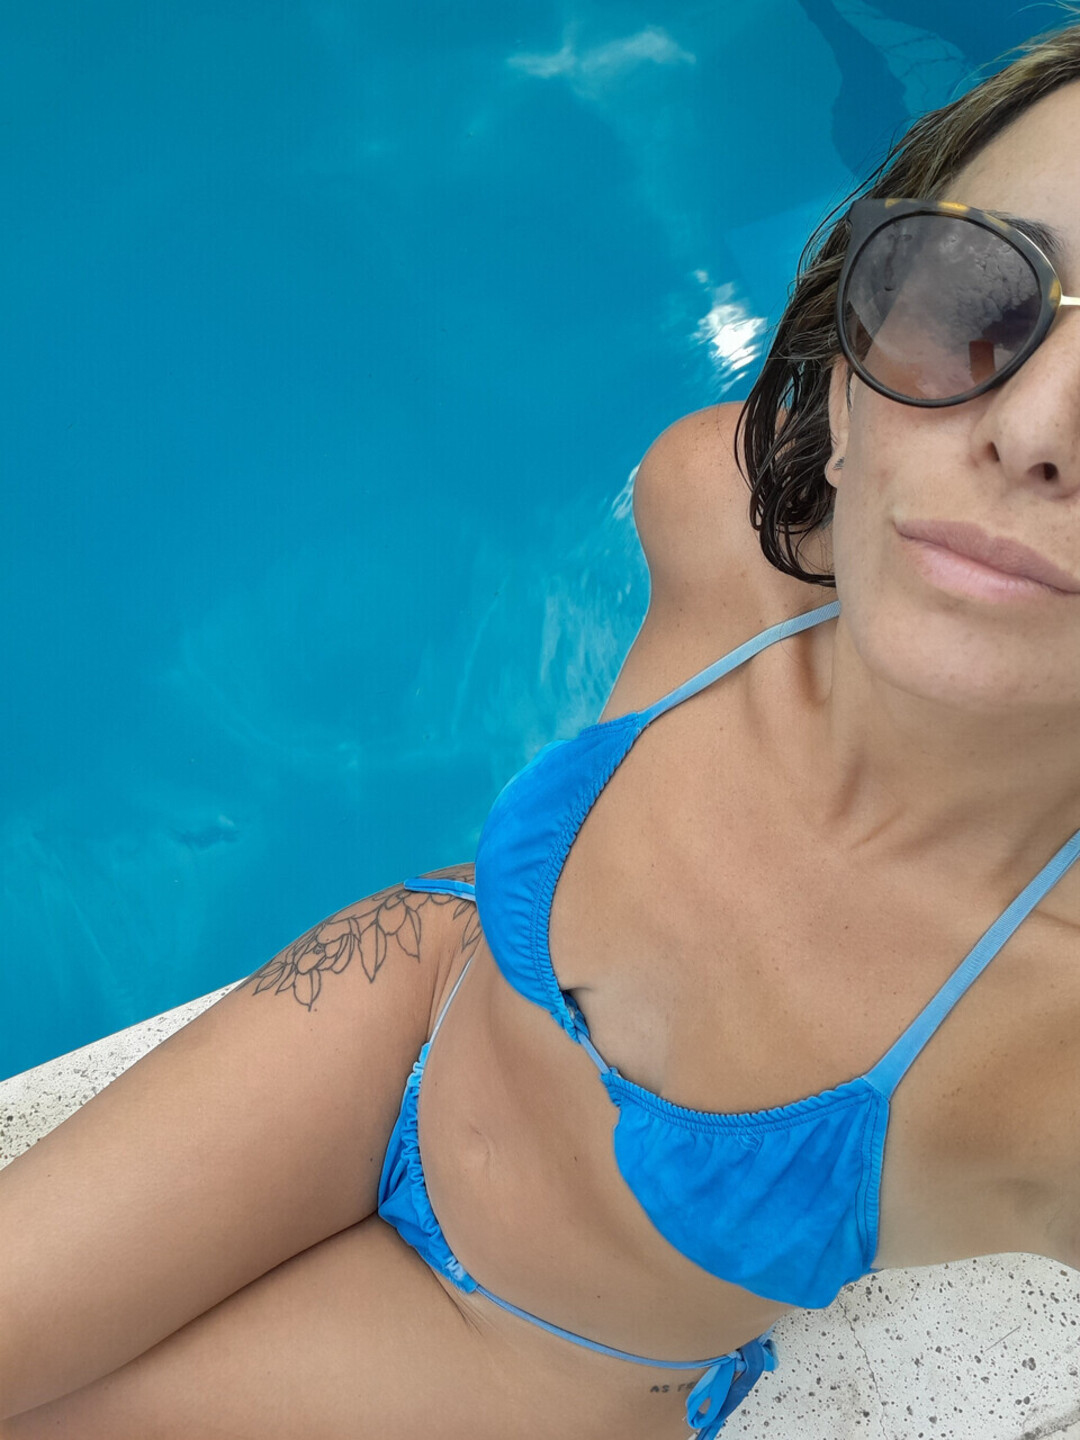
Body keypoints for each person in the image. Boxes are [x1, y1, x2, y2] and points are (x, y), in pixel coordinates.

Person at [4, 13, 1080, 1438]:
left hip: (524, 1348)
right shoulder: (721, 525)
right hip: (403, 1006)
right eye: (975, 292)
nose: (1034, 427)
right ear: (848, 364)